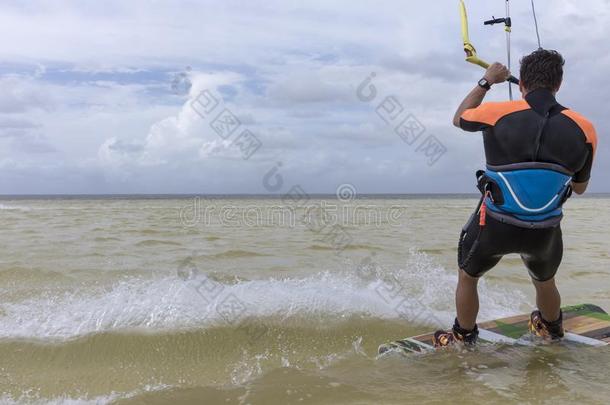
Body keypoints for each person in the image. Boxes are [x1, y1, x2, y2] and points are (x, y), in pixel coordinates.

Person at [434, 49, 598, 347]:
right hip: (544, 232)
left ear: (521, 84)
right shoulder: (585, 129)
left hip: (494, 225)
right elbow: (580, 187)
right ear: (558, 84)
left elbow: (459, 118)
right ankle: (550, 330)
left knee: (468, 276)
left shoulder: (498, 112)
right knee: (544, 280)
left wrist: (486, 81)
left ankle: (463, 337)